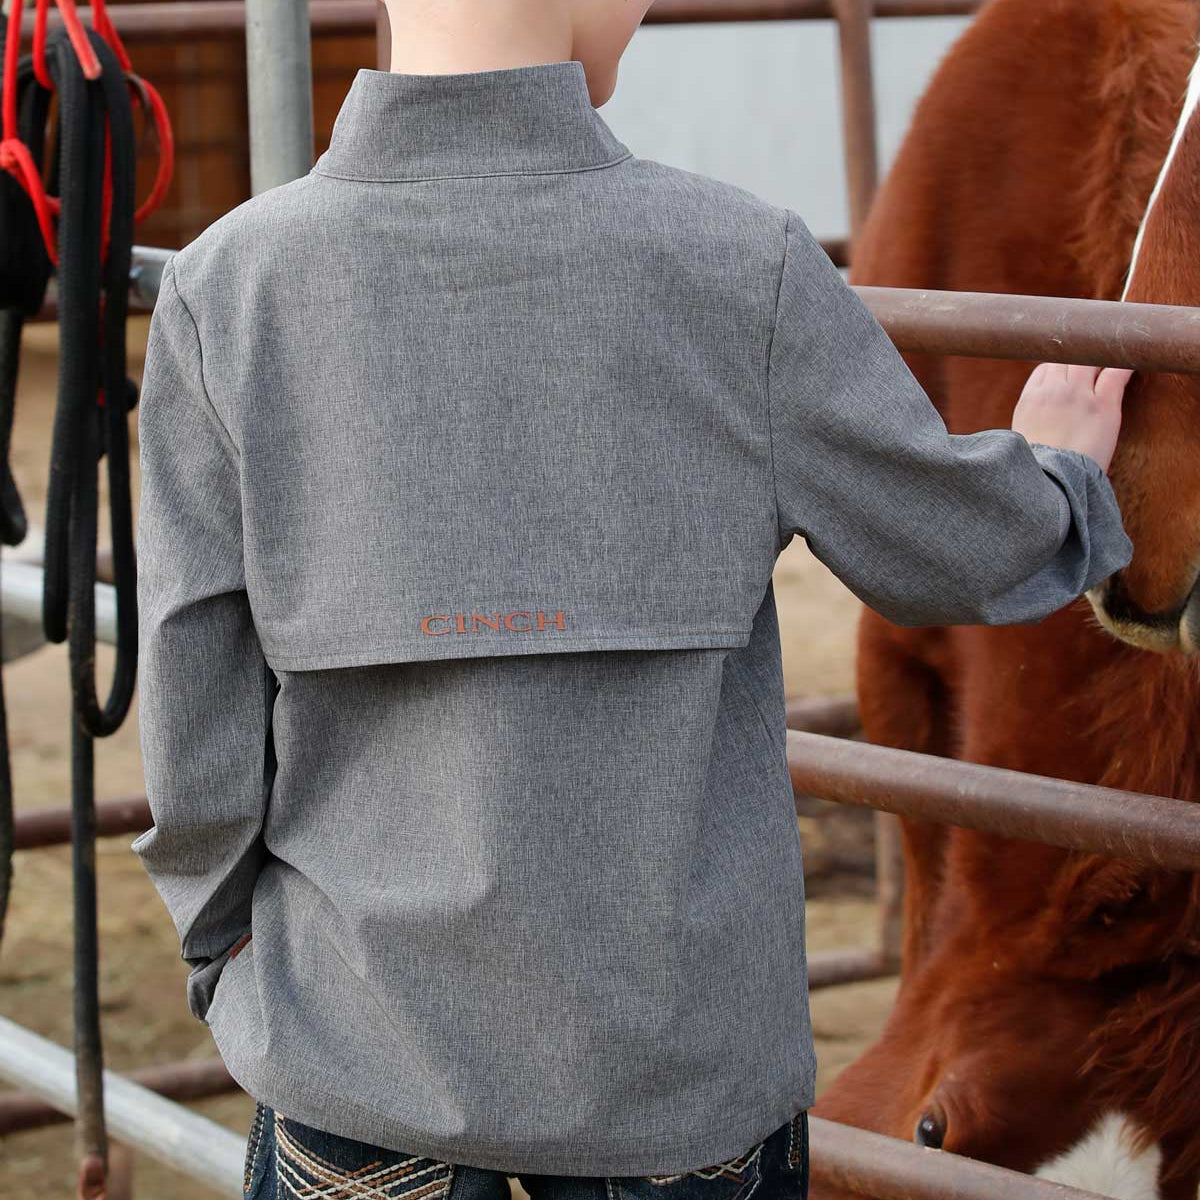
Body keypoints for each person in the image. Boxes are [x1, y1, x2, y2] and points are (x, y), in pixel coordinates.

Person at [131, 1, 1134, 1198]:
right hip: (678, 1098)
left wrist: (227, 959)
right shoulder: (742, 264)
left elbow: (192, 719)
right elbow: (951, 550)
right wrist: (1058, 481)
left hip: (356, 1070)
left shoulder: (225, 290)